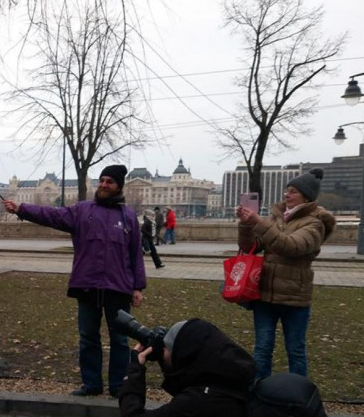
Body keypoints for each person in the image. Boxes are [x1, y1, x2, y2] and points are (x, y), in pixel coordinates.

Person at [2, 164, 145, 398]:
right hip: (87, 284)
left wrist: (138, 286)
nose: (103, 185)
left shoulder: (128, 216)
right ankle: (92, 385)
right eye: (102, 180)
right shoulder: (82, 210)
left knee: (119, 339)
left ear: (118, 186)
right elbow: (51, 215)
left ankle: (118, 386)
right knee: (88, 337)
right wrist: (21, 209)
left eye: (109, 181)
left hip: (118, 288)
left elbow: (135, 253)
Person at [236, 168, 335, 380]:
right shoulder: (277, 217)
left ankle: (298, 396)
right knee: (262, 349)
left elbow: (291, 246)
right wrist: (245, 226)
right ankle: (259, 393)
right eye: (286, 190)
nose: (286, 195)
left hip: (294, 298)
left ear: (306, 196)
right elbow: (251, 247)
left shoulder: (315, 223)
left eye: (292, 191)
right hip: (265, 294)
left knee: (295, 351)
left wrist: (259, 223)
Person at [118, 318, 255, 416]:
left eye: (167, 348)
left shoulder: (197, 402)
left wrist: (135, 371)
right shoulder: (230, 379)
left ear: (185, 354)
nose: (163, 351)